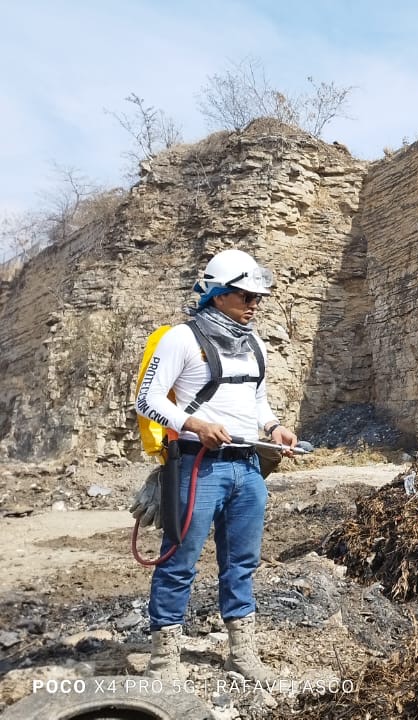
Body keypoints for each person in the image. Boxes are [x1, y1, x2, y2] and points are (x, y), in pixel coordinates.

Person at [134, 248, 296, 681]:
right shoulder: (181, 339)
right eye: (245, 296)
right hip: (198, 466)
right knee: (178, 559)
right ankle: (164, 659)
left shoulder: (254, 342)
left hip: (248, 467)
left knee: (242, 561)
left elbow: (256, 399)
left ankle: (242, 652)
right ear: (218, 295)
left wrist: (275, 427)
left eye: (257, 298)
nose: (254, 305)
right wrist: (193, 424)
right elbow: (146, 400)